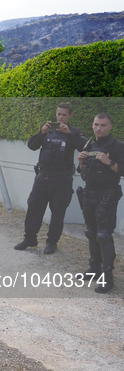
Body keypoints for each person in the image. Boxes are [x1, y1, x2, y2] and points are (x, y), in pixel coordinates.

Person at [15, 103, 88, 254]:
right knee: (34, 208)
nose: (60, 118)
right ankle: (30, 238)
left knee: (58, 212)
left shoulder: (74, 132)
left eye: (64, 115)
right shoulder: (48, 131)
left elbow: (85, 147)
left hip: (62, 179)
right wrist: (41, 133)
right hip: (43, 177)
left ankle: (51, 242)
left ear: (70, 116)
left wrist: (70, 134)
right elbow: (32, 145)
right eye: (58, 114)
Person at [76, 113, 124, 293]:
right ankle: (94, 268)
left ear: (110, 126)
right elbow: (84, 173)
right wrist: (81, 163)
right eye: (96, 124)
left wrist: (108, 161)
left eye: (103, 125)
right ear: (92, 125)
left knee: (103, 235)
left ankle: (107, 277)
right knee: (91, 232)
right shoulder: (89, 145)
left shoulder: (118, 146)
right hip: (89, 194)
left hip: (107, 194)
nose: (99, 128)